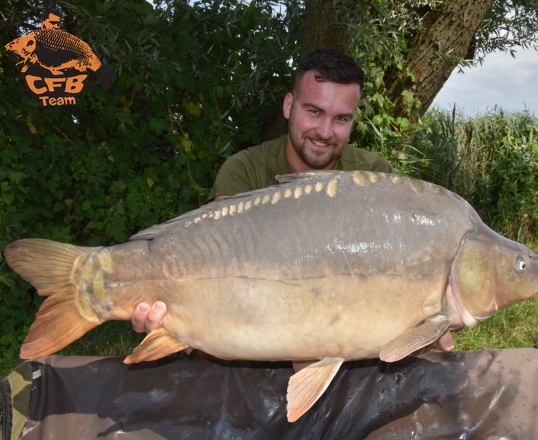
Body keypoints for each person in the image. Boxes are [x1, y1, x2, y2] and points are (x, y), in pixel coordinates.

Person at [130, 49, 455, 352]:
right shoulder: (245, 170)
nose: (325, 131)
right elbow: (216, 261)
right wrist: (183, 322)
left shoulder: (373, 177)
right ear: (289, 106)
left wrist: (418, 320)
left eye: (341, 119)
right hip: (254, 329)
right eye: (314, 112)